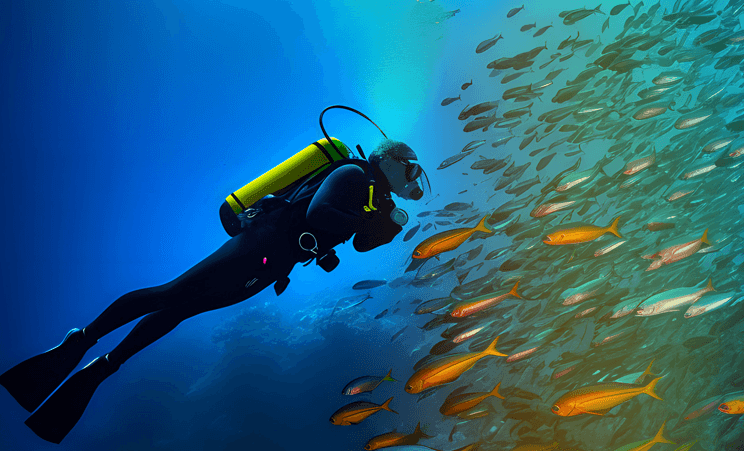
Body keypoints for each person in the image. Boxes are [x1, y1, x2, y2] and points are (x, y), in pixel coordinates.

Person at [0, 135, 427, 444]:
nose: (412, 177)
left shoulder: (375, 197)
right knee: (170, 293)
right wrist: (366, 218)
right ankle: (82, 339)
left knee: (179, 309)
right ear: (390, 160)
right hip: (260, 244)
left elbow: (361, 243)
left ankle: (106, 365)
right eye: (410, 167)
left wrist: (388, 225)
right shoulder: (353, 173)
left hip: (272, 265)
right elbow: (320, 214)